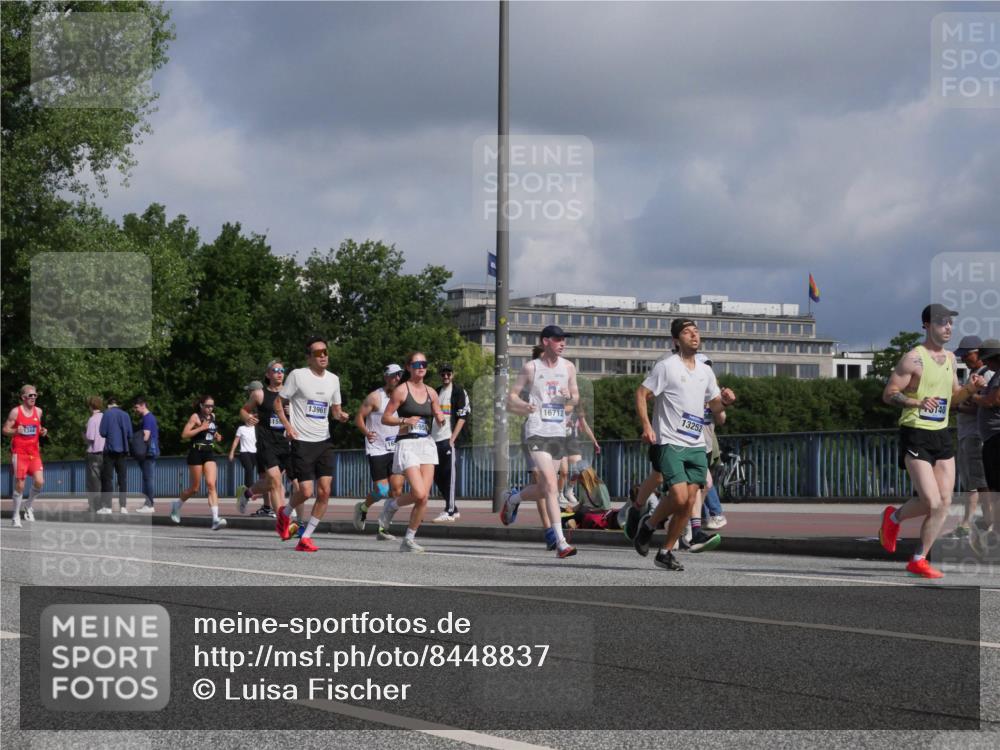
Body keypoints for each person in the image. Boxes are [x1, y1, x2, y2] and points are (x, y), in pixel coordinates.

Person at [878, 304, 985, 578]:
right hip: (916, 433)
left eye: (950, 323)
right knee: (932, 501)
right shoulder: (913, 359)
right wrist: (916, 401)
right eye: (941, 323)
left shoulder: (950, 358)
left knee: (944, 502)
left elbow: (953, 399)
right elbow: (889, 394)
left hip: (941, 434)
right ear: (926, 325)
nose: (948, 327)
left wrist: (971, 389)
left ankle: (919, 559)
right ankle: (893, 518)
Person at [632, 318, 733, 571]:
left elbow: (714, 405)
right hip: (669, 440)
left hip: (696, 443)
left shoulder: (705, 370)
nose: (694, 336)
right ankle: (649, 524)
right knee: (677, 496)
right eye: (687, 333)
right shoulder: (667, 367)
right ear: (676, 341)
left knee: (688, 502)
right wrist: (646, 426)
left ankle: (664, 551)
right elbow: (641, 393)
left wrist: (726, 401)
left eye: (696, 332)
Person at [501, 325, 581, 559]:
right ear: (545, 341)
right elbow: (511, 395)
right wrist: (523, 405)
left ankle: (513, 498)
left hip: (557, 432)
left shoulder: (569, 367)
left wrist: (570, 396)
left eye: (564, 339)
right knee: (549, 483)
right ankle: (561, 542)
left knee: (549, 488)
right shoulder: (531, 368)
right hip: (536, 429)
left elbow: (575, 397)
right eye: (557, 339)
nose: (562, 343)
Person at [273, 337, 350, 552]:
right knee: (306, 492)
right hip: (302, 441)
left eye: (325, 351)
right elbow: (279, 402)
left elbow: (335, 410)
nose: (323, 356)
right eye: (318, 353)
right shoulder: (298, 375)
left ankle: (305, 538)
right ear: (309, 357)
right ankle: (285, 513)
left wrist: (341, 415)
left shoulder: (334, 379)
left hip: (323, 441)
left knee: (324, 492)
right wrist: (287, 426)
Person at [378, 352, 447, 552]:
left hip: (426, 444)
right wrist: (404, 421)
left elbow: (437, 411)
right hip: (407, 444)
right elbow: (385, 418)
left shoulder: (431, 392)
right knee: (418, 492)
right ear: (408, 367)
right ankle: (391, 507)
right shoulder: (401, 390)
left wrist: (441, 419)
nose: (421, 367)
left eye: (424, 363)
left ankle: (408, 539)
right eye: (416, 363)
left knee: (423, 497)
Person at [352, 363, 405, 539]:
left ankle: (383, 527)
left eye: (399, 375)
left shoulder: (402, 396)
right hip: (377, 448)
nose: (396, 378)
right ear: (386, 377)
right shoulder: (376, 397)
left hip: (395, 447)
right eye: (393, 375)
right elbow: (359, 417)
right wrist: (366, 432)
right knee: (382, 491)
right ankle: (363, 507)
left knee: (396, 490)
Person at [949, 336, 992, 537]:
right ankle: (973, 521)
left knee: (980, 481)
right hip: (967, 434)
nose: (964, 359)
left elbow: (982, 407)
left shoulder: (986, 375)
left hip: (976, 434)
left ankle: (986, 521)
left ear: (979, 353)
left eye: (967, 355)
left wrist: (956, 405)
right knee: (972, 482)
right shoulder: (974, 374)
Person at [239, 366, 292, 520]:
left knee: (270, 483)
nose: (279, 373)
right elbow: (243, 410)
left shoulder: (290, 394)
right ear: (268, 374)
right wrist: (247, 418)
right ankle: (283, 520)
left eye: (282, 370)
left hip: (284, 443)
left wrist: (292, 412)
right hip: (266, 443)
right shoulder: (259, 394)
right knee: (275, 481)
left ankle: (247, 493)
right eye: (275, 370)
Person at [172, 395, 227, 530]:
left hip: (209, 452)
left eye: (212, 406)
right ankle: (176, 505)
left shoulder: (213, 417)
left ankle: (215, 519)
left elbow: (211, 430)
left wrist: (216, 436)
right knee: (194, 488)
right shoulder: (195, 417)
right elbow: (184, 435)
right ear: (201, 405)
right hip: (196, 452)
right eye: (207, 406)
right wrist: (200, 428)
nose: (210, 408)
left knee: (211, 484)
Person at [970, 340, 1000, 558]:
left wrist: (975, 397)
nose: (986, 363)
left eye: (987, 359)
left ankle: (992, 532)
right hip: (992, 439)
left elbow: (993, 400)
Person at [3, 385, 47, 527]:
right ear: (23, 397)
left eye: (35, 395)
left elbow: (37, 427)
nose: (33, 398)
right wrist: (16, 430)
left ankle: (28, 506)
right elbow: (5, 430)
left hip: (34, 453)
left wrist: (42, 431)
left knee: (40, 481)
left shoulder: (38, 411)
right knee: (20, 485)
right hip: (19, 453)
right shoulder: (16, 412)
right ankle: (15, 516)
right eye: (30, 395)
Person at [431, 363, 470, 523]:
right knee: (436, 476)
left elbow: (463, 416)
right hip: (434, 440)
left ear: (453, 375)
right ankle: (453, 508)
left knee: (449, 476)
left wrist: (452, 439)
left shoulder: (459, 391)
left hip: (448, 439)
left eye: (448, 374)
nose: (446, 376)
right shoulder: (436, 391)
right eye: (443, 374)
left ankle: (450, 510)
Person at [559, 403, 600, 508]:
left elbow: (585, 427)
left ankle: (569, 490)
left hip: (573, 442)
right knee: (564, 472)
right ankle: (560, 494)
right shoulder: (557, 410)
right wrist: (564, 425)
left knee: (579, 468)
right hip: (560, 442)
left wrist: (594, 441)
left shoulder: (577, 412)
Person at [98, 395, 132, 515]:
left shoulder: (107, 414)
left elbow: (102, 432)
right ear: (118, 404)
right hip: (123, 450)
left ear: (109, 404)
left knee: (108, 479)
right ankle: (123, 506)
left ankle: (107, 507)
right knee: (122, 479)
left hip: (110, 450)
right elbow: (129, 434)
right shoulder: (126, 415)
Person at [132, 397, 160, 514]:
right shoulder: (150, 417)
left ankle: (149, 504)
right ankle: (148, 503)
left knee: (148, 479)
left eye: (136, 407)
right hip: (151, 452)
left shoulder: (147, 418)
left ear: (143, 405)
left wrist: (138, 447)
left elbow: (146, 435)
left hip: (148, 453)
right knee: (147, 478)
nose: (135, 410)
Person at [229, 413, 258, 506]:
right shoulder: (241, 428)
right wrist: (232, 452)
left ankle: (245, 492)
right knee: (249, 470)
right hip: (244, 452)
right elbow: (236, 441)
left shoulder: (257, 428)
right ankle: (249, 492)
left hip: (255, 453)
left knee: (252, 471)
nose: (250, 420)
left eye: (252, 418)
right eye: (248, 418)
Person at [83, 396, 105, 513]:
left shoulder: (92, 419)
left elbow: (90, 438)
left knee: (93, 482)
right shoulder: (105, 417)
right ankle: (104, 505)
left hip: (94, 452)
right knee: (103, 480)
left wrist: (84, 434)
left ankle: (94, 506)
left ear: (91, 406)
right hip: (105, 453)